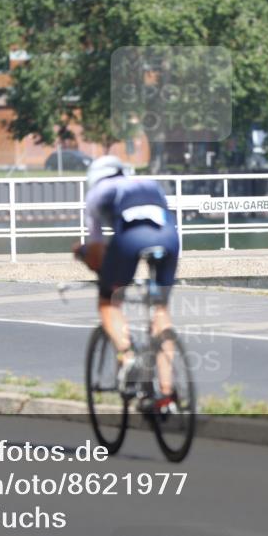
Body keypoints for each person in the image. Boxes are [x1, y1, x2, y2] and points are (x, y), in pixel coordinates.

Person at [72, 155, 180, 404]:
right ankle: (166, 395)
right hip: (169, 238)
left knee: (108, 303)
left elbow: (97, 251)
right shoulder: (149, 183)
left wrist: (84, 256)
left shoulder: (97, 194)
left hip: (131, 238)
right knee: (161, 310)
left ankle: (128, 358)